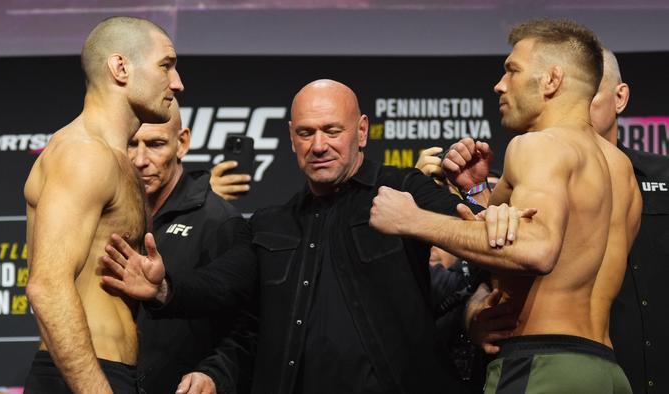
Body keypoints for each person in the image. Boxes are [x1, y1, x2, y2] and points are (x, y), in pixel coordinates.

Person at [101, 79, 530, 394]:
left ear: (361, 131)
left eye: (332, 130)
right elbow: (224, 287)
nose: (318, 145)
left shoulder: (403, 190)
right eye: (306, 133)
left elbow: (484, 240)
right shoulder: (272, 223)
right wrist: (163, 288)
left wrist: (470, 196)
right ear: (291, 138)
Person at [369, 19, 642, 393]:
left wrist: (413, 219)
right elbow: (559, 248)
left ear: (551, 81)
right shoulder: (620, 167)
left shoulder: (538, 146)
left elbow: (538, 249)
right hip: (605, 370)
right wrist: (481, 193)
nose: (500, 84)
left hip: (542, 367)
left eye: (512, 71)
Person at [23, 16, 184, 393]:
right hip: (83, 379)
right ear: (120, 67)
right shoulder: (84, 154)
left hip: (107, 376)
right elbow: (46, 286)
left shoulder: (114, 158)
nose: (177, 83)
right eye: (166, 66)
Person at [126, 99, 255, 394]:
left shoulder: (219, 221)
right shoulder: (106, 217)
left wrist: (213, 374)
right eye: (131, 144)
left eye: (155, 144)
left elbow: (247, 327)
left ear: (182, 143)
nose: (140, 159)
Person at [592, 48, 669, 394]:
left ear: (619, 97)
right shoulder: (541, 188)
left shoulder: (663, 173)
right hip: (597, 374)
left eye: (589, 92)